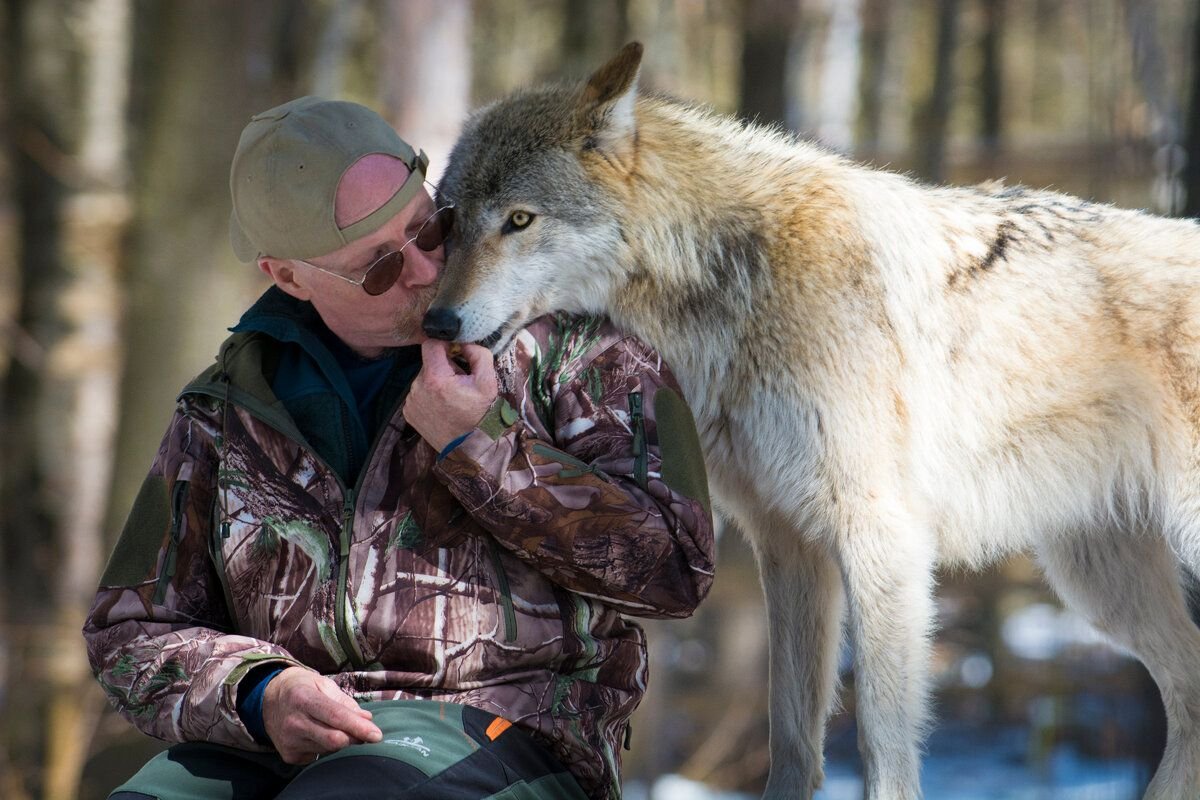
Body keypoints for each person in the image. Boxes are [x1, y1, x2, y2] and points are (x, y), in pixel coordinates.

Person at [84, 96, 715, 800]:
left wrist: (481, 448)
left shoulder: (575, 347)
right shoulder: (227, 407)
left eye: (431, 227)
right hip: (274, 748)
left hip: (507, 733)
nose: (424, 270)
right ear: (287, 276)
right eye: (379, 266)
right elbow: (132, 628)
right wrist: (259, 693)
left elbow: (675, 573)